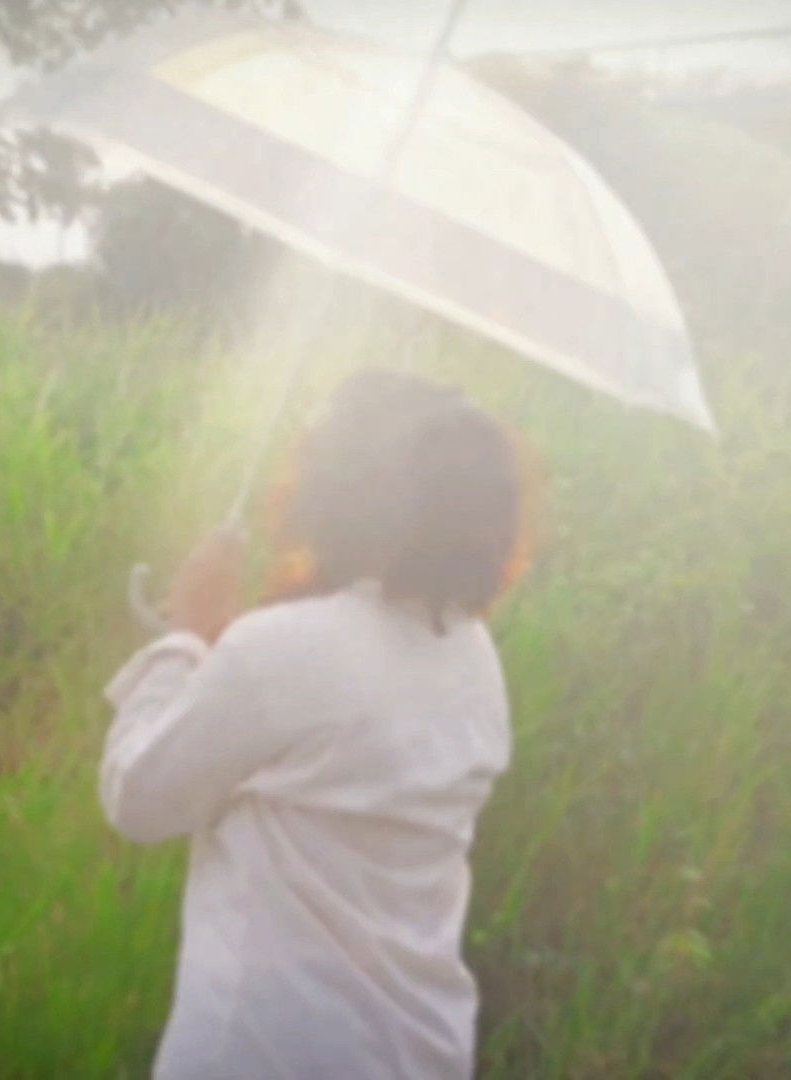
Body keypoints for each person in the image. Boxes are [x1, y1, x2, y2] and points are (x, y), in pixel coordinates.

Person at [99, 369, 529, 1080]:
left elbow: (137, 800)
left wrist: (185, 637)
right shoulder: (473, 654)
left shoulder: (288, 648)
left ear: (343, 494)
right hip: (418, 1051)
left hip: (264, 1051)